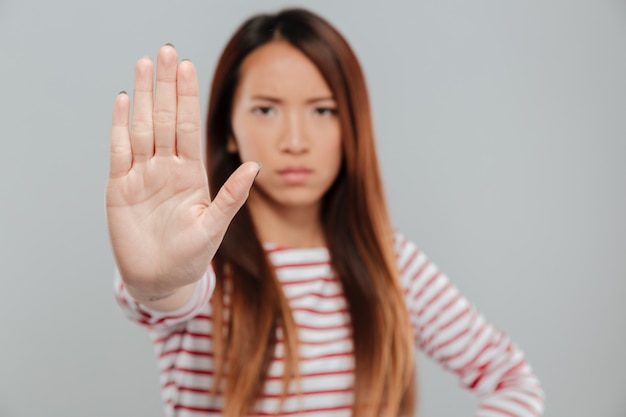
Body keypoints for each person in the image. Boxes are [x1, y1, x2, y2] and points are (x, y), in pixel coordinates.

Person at [106, 8, 544, 417]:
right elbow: (170, 291)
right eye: (266, 109)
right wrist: (156, 282)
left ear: (351, 124)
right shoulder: (200, 260)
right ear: (230, 129)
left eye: (323, 110)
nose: (295, 140)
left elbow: (511, 381)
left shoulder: (391, 263)